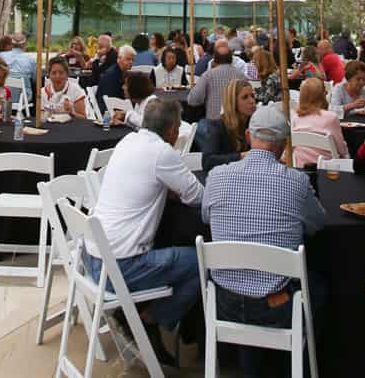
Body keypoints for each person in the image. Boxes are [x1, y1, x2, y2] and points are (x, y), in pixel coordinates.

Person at [202, 104, 326, 378]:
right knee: (317, 286)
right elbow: (318, 224)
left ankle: (252, 368)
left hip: (224, 302)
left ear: (248, 137)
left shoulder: (217, 176)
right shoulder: (296, 182)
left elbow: (206, 216)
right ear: (284, 144)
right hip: (276, 307)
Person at [84, 100, 203, 366]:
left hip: (92, 259)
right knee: (202, 262)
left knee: (167, 241)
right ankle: (153, 317)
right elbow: (197, 196)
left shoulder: (127, 141)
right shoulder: (162, 153)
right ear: (172, 130)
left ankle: (141, 312)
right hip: (119, 268)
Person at [291, 78, 349, 167]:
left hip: (301, 167)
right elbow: (341, 149)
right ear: (321, 95)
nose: (327, 93)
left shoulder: (295, 116)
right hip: (328, 168)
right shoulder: (330, 117)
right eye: (324, 90)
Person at [199, 79, 254, 172]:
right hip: (224, 176)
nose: (252, 101)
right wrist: (240, 156)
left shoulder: (255, 124)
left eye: (252, 96)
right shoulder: (218, 126)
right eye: (245, 97)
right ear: (233, 102)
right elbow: (207, 162)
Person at [187, 46, 245, 121]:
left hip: (214, 121)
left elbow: (193, 100)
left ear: (214, 60)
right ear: (231, 59)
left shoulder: (208, 75)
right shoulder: (241, 76)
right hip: (235, 122)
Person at [0, 32, 37, 104]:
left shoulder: (1, 56)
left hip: (3, 96)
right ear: (24, 44)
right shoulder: (31, 59)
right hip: (23, 98)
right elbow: (35, 78)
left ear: (12, 44)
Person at [96, 45, 136, 112]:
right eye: (128, 59)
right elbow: (111, 101)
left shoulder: (122, 72)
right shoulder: (112, 75)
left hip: (117, 108)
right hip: (108, 111)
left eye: (133, 60)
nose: (131, 62)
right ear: (119, 58)